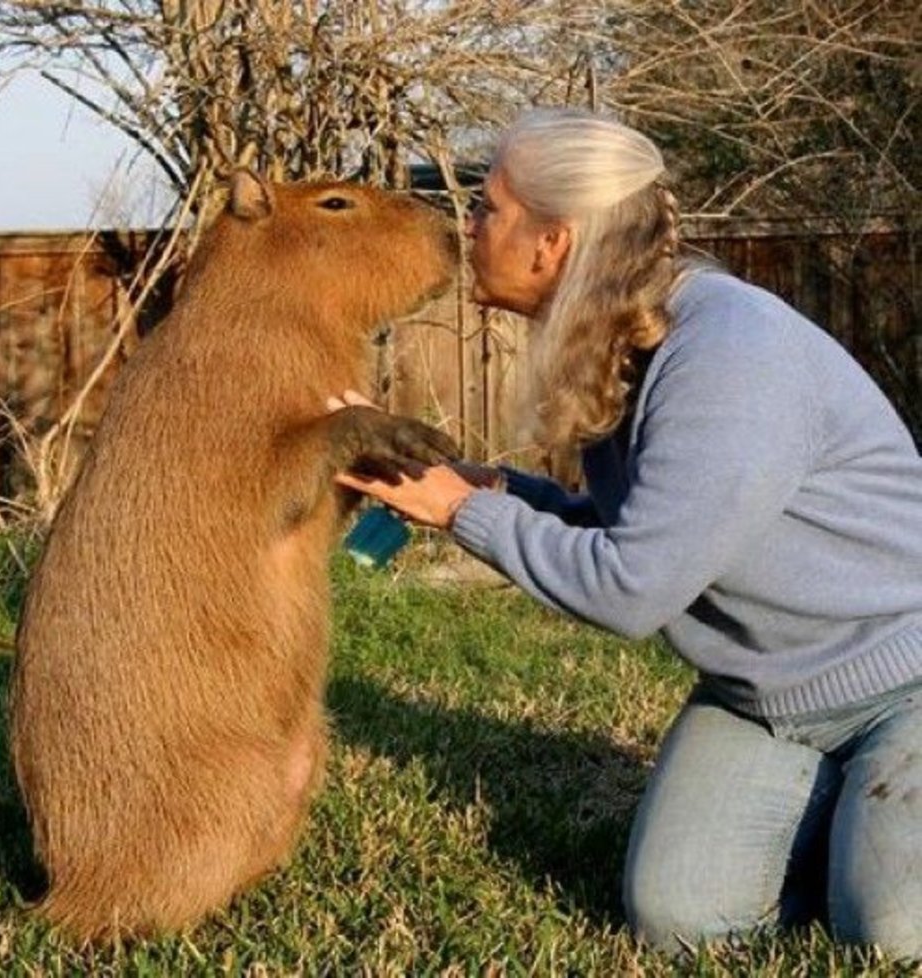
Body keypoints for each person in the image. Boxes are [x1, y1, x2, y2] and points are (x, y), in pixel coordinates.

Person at [330, 108, 922, 958]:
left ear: (552, 243)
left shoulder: (726, 355)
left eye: (488, 208)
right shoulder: (626, 343)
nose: (469, 226)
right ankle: (849, 822)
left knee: (896, 935)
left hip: (904, 681)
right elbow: (635, 530)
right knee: (682, 921)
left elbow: (632, 586)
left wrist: (459, 509)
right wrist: (490, 488)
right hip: (762, 698)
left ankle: (873, 843)